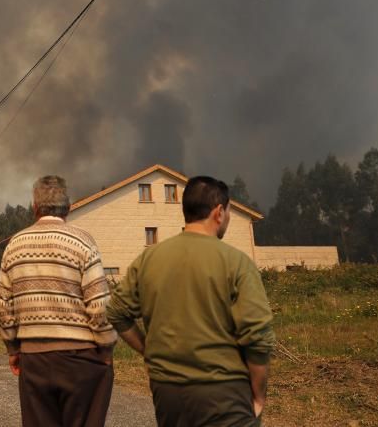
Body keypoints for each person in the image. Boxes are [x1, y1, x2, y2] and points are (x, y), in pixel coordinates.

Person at [106, 175, 276, 426]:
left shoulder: (148, 259)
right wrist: (259, 395)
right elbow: (258, 338)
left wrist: (147, 350)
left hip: (168, 394)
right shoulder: (236, 262)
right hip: (224, 394)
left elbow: (116, 311)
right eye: (228, 212)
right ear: (219, 212)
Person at [0, 175, 118, 427]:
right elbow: (100, 305)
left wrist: (13, 349)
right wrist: (106, 349)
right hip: (82, 361)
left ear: (35, 208)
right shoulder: (83, 242)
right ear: (68, 207)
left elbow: (3, 306)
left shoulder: (14, 246)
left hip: (34, 360)